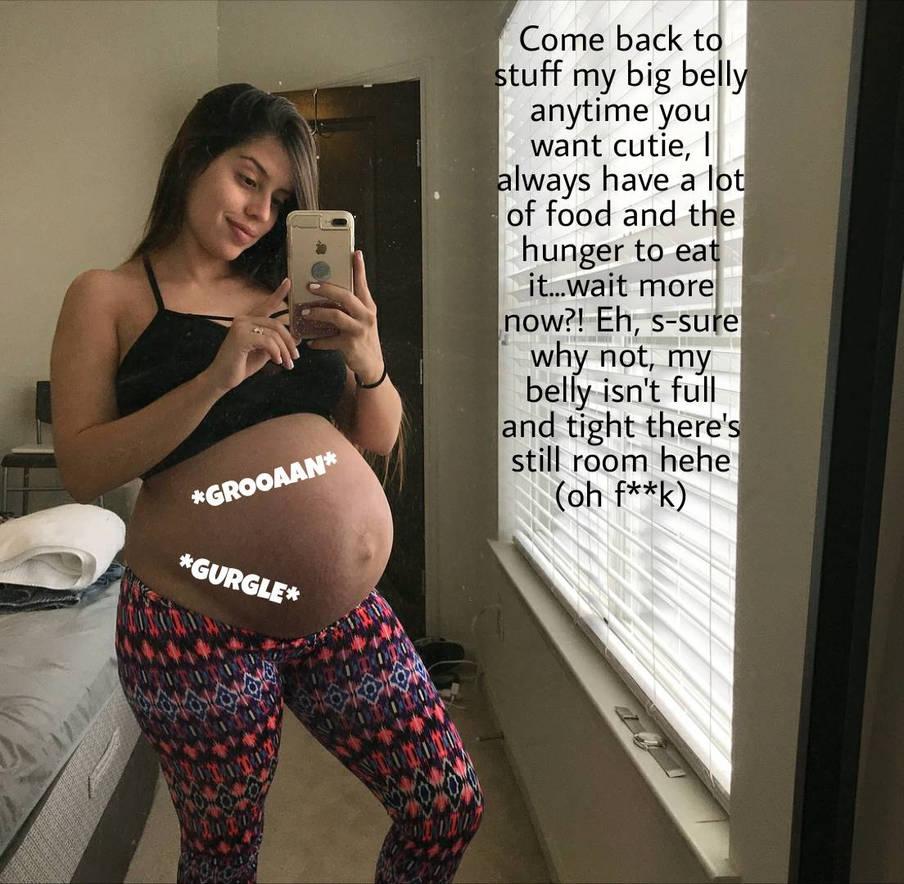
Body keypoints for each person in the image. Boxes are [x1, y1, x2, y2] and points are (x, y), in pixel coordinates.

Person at [50, 83, 484, 884]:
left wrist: (369, 359)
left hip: (338, 615)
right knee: (223, 857)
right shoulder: (107, 297)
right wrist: (215, 378)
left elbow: (376, 439)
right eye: (246, 178)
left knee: (446, 804)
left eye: (280, 198)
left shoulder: (296, 292)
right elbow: (83, 467)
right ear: (192, 158)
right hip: (193, 621)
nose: (259, 211)